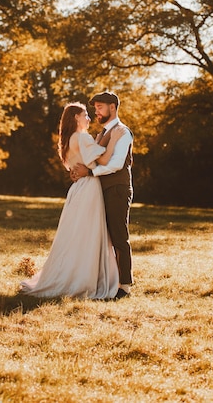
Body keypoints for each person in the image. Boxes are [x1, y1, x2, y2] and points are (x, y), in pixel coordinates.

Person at [20, 101, 124, 299]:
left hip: (77, 190)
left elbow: (79, 163)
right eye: (85, 114)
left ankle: (71, 273)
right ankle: (84, 278)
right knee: (88, 233)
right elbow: (102, 160)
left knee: (76, 234)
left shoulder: (69, 140)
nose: (88, 118)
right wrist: (113, 141)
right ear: (76, 117)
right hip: (89, 189)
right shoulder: (81, 137)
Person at [71, 91, 134, 300]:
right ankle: (106, 280)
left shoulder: (123, 132)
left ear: (112, 107)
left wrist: (89, 172)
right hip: (100, 191)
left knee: (118, 235)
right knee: (101, 237)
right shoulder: (102, 134)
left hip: (117, 189)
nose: (96, 111)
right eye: (95, 107)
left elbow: (116, 164)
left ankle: (125, 285)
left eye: (100, 107)